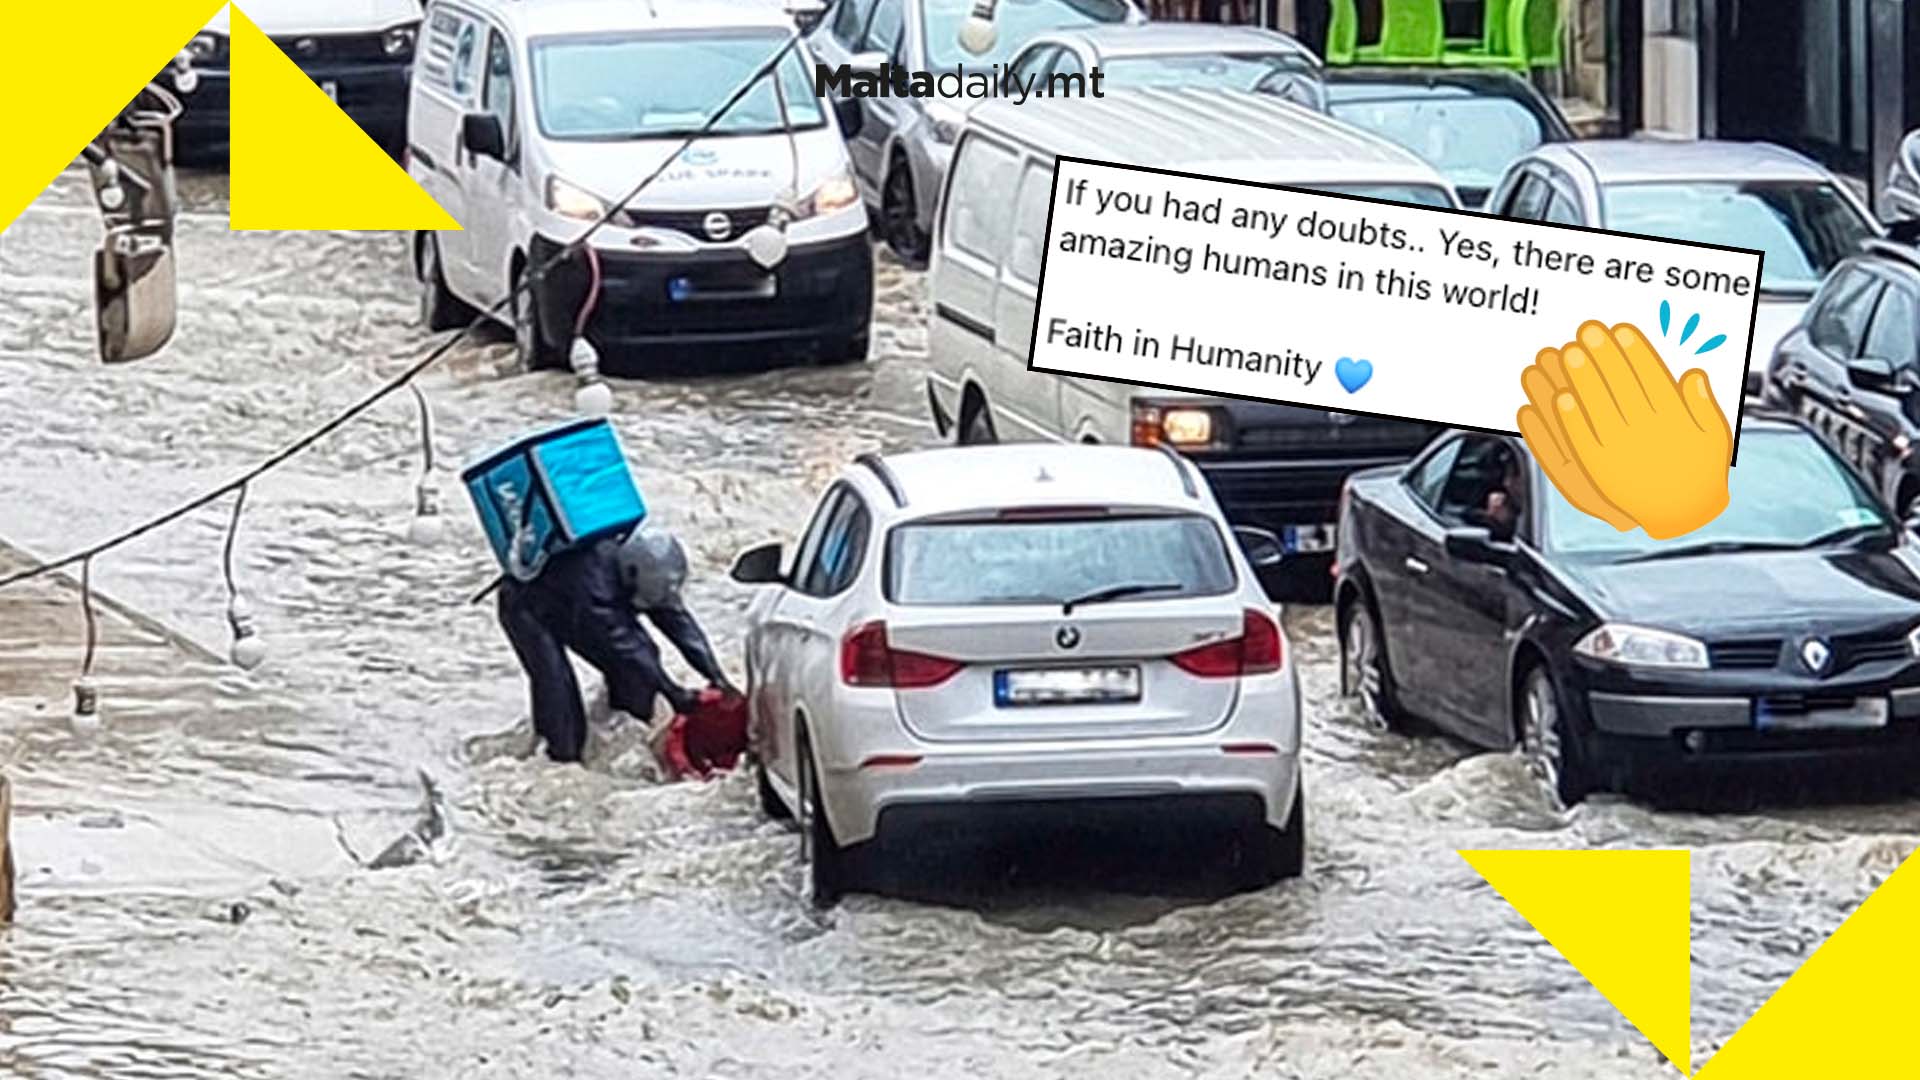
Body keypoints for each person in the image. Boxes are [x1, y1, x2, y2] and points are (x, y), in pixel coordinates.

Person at [497, 525, 733, 764]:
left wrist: (717, 677)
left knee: (638, 678)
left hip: (572, 601)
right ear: (629, 575)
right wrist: (675, 694)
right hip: (526, 605)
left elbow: (679, 624)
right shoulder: (598, 594)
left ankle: (620, 729)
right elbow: (629, 649)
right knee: (559, 691)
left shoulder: (650, 575)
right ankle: (556, 760)